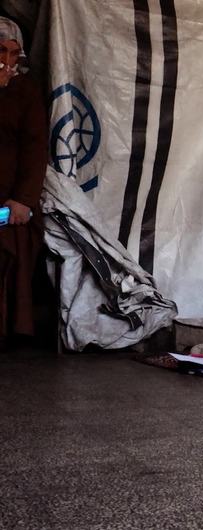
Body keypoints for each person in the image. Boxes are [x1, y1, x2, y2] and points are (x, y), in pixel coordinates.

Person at [0, 17, 46, 349]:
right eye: (1, 51)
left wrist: (23, 200)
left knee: (9, 260)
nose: (7, 60)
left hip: (8, 199)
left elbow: (35, 147)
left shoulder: (25, 92)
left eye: (14, 53)